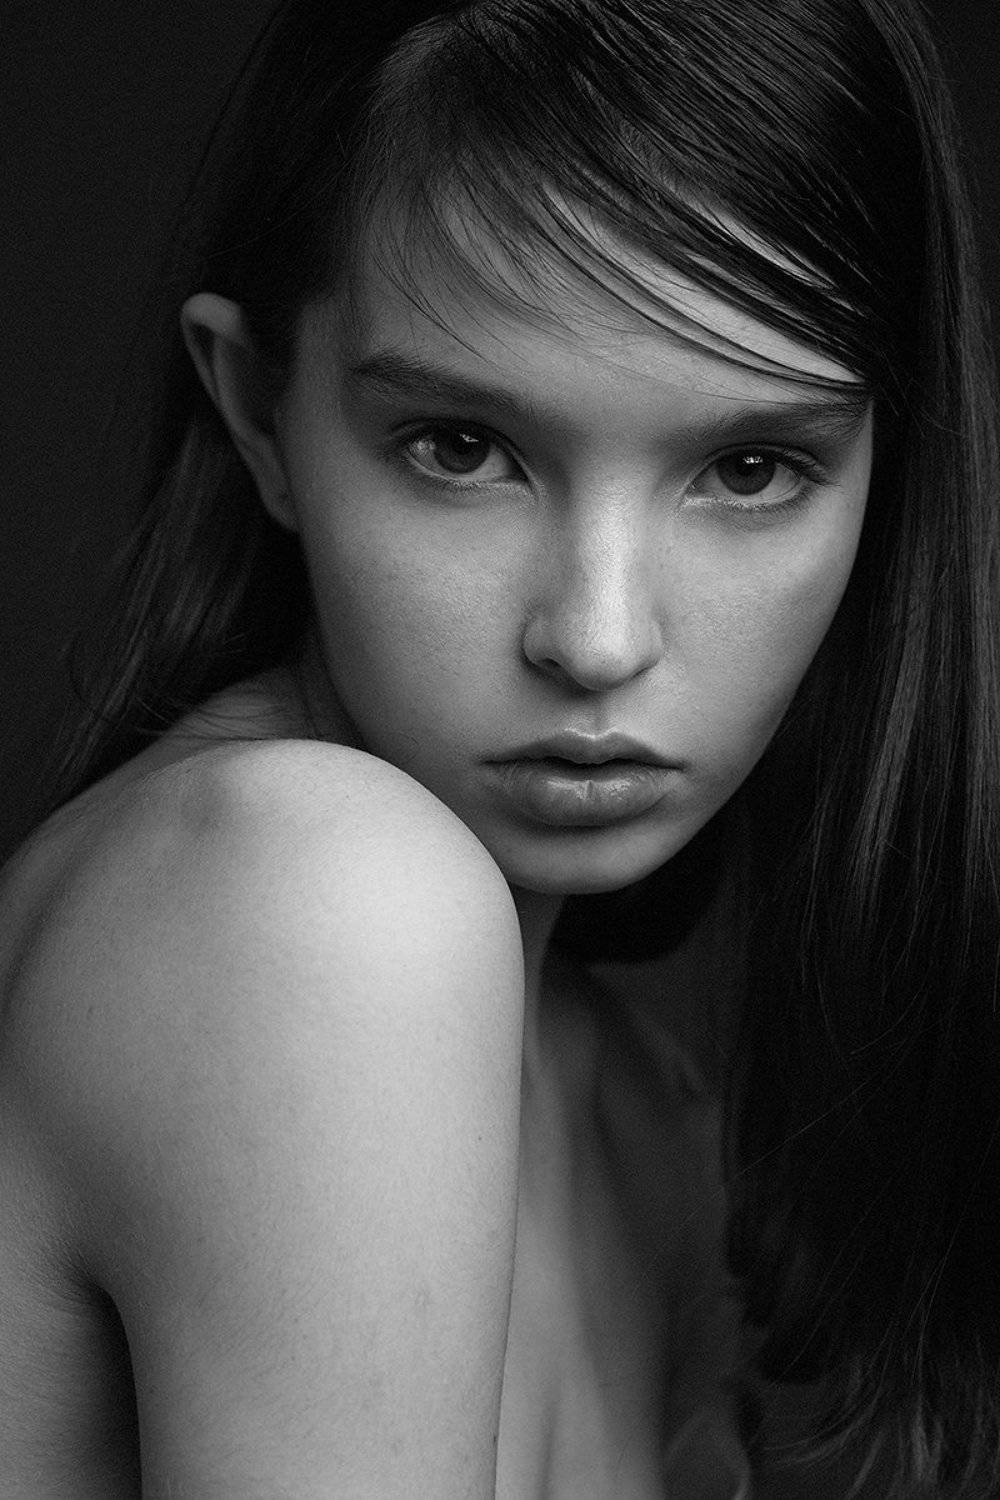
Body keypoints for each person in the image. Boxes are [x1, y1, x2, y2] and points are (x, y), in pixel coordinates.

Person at [0, 0, 997, 1494]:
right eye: (462, 448)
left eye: (750, 467)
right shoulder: (314, 897)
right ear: (260, 414)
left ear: (886, 474)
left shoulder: (650, 1125)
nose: (596, 637)